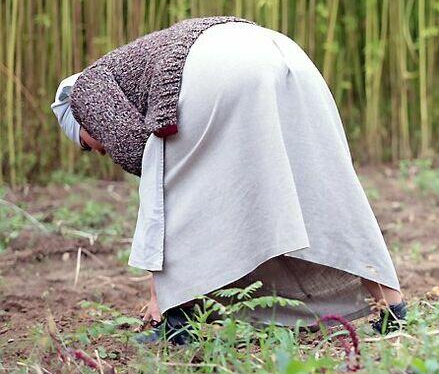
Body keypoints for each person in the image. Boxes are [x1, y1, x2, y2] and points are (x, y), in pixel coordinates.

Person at [50, 17, 406, 344]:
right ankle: (392, 307)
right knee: (327, 185)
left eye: (85, 143)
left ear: (80, 117)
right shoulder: (132, 67)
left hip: (216, 70)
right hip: (287, 56)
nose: (96, 150)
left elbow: (146, 166)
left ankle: (176, 322)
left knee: (175, 187)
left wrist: (159, 295)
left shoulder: (84, 91)